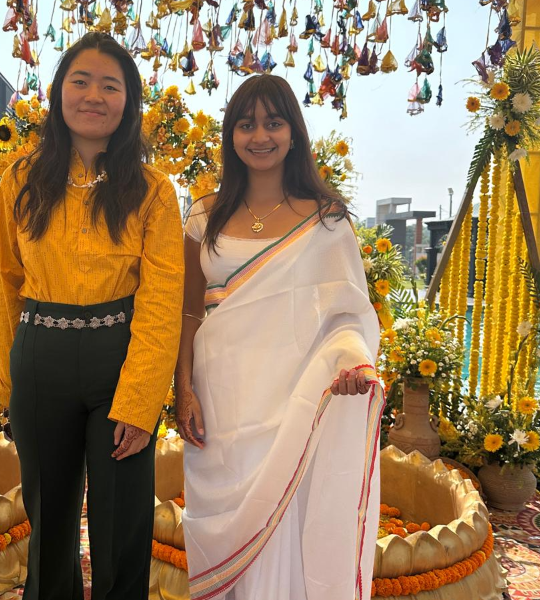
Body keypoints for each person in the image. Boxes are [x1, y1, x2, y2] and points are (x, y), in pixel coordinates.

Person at [0, 32, 184, 600]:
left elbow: (162, 297)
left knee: (122, 523)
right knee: (48, 523)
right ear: (59, 93)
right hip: (40, 355)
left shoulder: (153, 191)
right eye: (80, 81)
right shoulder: (20, 179)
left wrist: (141, 400)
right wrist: (10, 376)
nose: (94, 95)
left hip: (119, 360)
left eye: (110, 86)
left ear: (128, 101)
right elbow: (3, 282)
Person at [175, 74, 384, 600]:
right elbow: (189, 310)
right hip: (220, 396)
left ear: (293, 133)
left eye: (273, 123)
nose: (260, 136)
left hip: (291, 398)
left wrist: (350, 360)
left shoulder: (326, 220)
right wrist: (183, 387)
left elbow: (346, 312)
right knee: (223, 518)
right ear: (231, 135)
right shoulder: (204, 214)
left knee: (286, 512)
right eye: (246, 125)